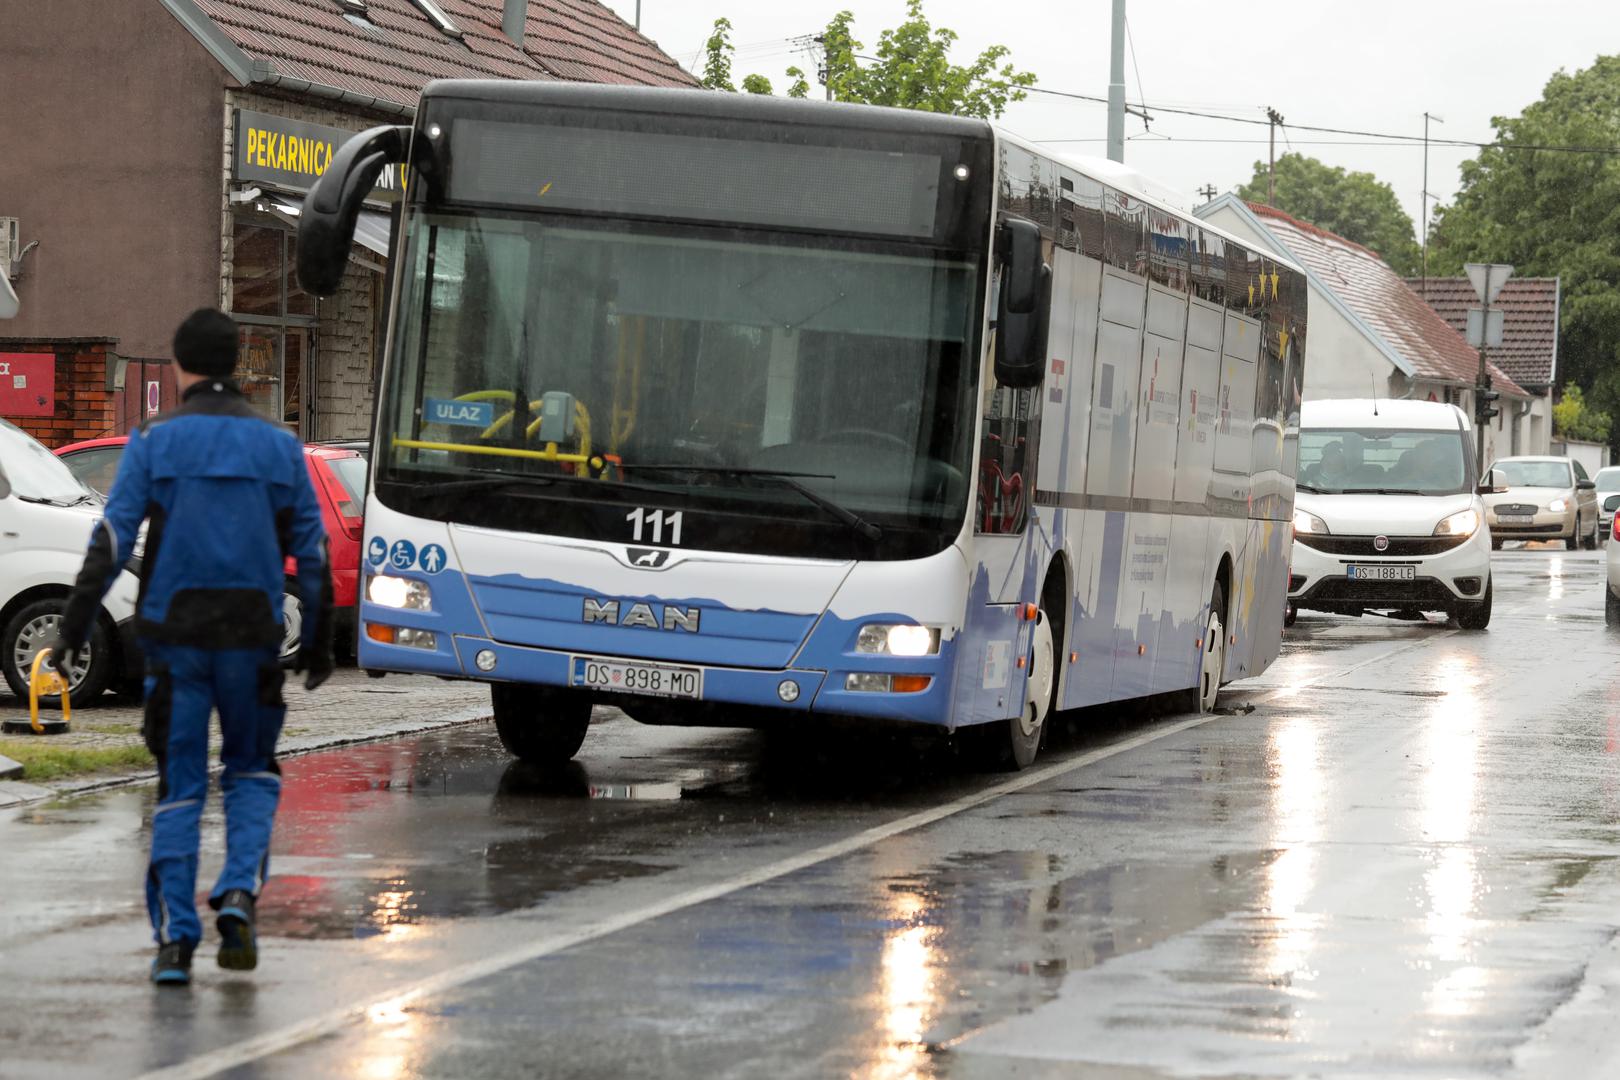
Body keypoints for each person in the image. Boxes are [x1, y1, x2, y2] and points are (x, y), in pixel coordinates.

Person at [48, 308, 334, 985]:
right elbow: (313, 550)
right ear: (237, 365)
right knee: (251, 772)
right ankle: (237, 894)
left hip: (175, 642)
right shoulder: (278, 446)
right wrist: (318, 641)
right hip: (251, 640)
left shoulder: (155, 441)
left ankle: (176, 943)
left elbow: (112, 539)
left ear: (178, 366)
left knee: (179, 786)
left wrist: (74, 625)